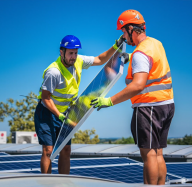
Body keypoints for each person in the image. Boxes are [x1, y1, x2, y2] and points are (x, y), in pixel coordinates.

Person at [91, 10, 175, 185]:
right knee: (158, 152)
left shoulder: (140, 54)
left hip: (148, 107)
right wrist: (129, 56)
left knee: (148, 154)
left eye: (123, 32)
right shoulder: (155, 43)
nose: (123, 37)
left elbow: (138, 85)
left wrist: (109, 101)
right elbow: (152, 62)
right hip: (166, 104)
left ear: (130, 29)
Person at [34, 35, 125, 174]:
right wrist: (60, 116)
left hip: (65, 112)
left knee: (65, 149)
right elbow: (46, 98)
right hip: (47, 112)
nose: (74, 56)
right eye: (71, 53)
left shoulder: (79, 61)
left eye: (76, 53)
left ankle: (63, 184)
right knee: (48, 150)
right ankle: (47, 183)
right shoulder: (53, 72)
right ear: (61, 52)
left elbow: (100, 60)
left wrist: (115, 47)